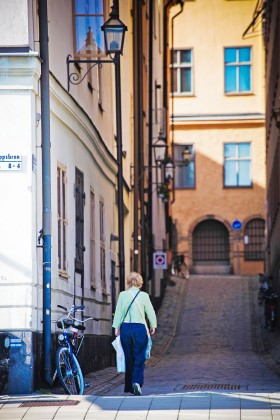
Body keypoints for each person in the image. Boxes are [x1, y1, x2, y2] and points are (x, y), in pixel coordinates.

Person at [112, 271, 157, 395]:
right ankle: (136, 382)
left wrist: (116, 327)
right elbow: (151, 312)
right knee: (139, 357)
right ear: (140, 282)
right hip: (139, 329)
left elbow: (119, 312)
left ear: (128, 282)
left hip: (126, 328)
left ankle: (129, 387)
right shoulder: (144, 296)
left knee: (128, 358)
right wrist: (153, 325)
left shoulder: (123, 295)